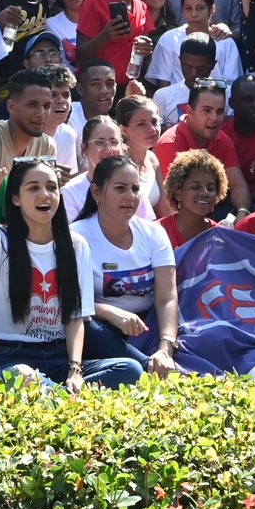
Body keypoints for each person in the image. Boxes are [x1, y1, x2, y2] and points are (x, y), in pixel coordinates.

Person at [0, 158, 139, 388]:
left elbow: (76, 317)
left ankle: (54, 393)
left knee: (130, 369)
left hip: (60, 356)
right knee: (23, 376)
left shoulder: (76, 244)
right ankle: (62, 397)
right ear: (16, 199)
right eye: (33, 188)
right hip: (13, 356)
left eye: (52, 187)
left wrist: (75, 370)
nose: (45, 194)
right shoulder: (3, 240)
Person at [75, 155, 181, 374]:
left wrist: (166, 346)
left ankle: (160, 363)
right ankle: (150, 369)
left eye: (135, 189)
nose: (130, 196)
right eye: (120, 188)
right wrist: (110, 313)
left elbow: (167, 298)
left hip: (149, 325)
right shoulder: (76, 236)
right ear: (97, 193)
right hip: (103, 327)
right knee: (88, 328)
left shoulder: (154, 233)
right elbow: (71, 303)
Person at [154, 80, 252, 214]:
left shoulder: (222, 139)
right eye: (207, 111)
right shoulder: (169, 144)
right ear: (189, 111)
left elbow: (238, 185)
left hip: (213, 212)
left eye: (220, 111)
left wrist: (242, 212)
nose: (214, 118)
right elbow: (171, 205)